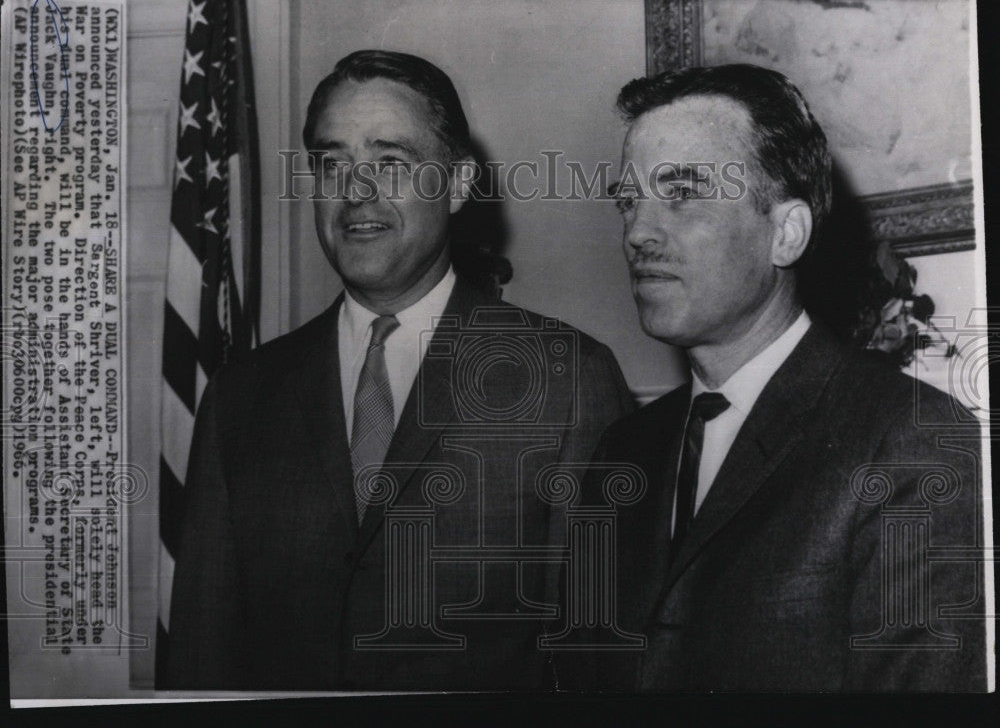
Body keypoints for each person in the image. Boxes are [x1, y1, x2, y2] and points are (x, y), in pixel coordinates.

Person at [163, 50, 634, 690]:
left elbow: (591, 665)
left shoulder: (568, 382)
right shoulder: (240, 398)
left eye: (391, 162)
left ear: (459, 184)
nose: (357, 192)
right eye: (333, 164)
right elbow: (201, 658)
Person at [578, 64, 987, 691]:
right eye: (629, 201)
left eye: (682, 194)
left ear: (786, 233)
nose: (638, 233)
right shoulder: (621, 452)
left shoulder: (912, 439)